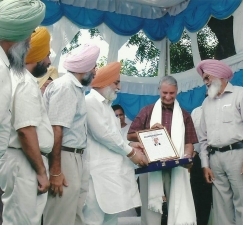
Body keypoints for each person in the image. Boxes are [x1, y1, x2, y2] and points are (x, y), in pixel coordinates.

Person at [83, 62, 148, 224]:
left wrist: (131, 144)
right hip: (98, 174)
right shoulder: (90, 102)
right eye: (116, 82)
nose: (118, 87)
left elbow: (115, 136)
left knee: (111, 218)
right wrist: (132, 152)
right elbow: (104, 135)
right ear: (104, 82)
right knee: (94, 219)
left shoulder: (107, 106)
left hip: (112, 174)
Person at [127, 75, 197, 225]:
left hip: (177, 166)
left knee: (178, 205)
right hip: (151, 166)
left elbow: (189, 142)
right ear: (159, 90)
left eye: (171, 93)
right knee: (151, 210)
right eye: (165, 93)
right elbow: (130, 135)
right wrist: (149, 132)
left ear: (177, 91)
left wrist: (188, 156)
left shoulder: (184, 115)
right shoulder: (147, 111)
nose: (168, 96)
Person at [43, 44, 100, 225]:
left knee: (73, 215)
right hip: (64, 156)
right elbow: (56, 129)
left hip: (73, 156)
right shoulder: (66, 87)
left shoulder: (75, 88)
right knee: (60, 216)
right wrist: (56, 171)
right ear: (85, 69)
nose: (96, 71)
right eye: (94, 66)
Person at [196, 59, 243, 225]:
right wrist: (205, 165)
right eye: (204, 79)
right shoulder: (205, 102)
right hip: (214, 159)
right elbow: (203, 137)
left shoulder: (241, 93)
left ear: (220, 76)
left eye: (208, 78)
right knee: (221, 208)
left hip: (238, 156)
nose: (206, 82)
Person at [1, 25, 52, 225]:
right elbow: (25, 130)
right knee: (21, 221)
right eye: (47, 54)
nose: (49, 61)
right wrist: (41, 171)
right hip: (25, 162)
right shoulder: (25, 81)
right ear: (37, 55)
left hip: (23, 160)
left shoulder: (14, 76)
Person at [190, 105, 213, 225]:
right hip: (198, 158)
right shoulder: (196, 111)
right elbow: (192, 136)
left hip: (220, 155)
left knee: (223, 200)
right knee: (200, 199)